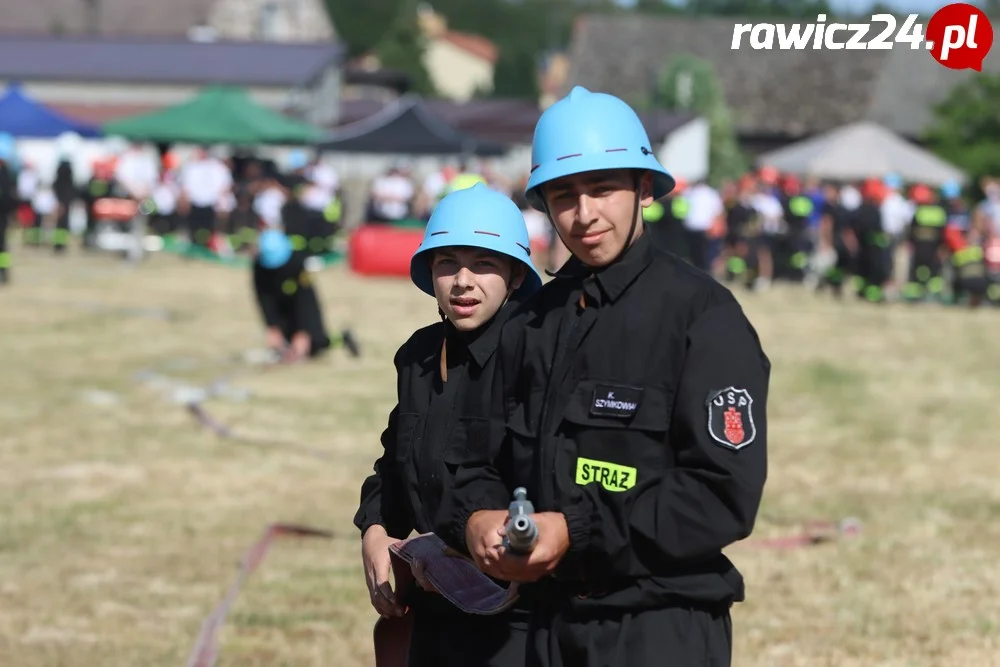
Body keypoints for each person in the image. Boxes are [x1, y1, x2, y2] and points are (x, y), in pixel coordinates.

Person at [439, 86, 770, 667]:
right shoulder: (530, 322)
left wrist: (578, 531)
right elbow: (473, 454)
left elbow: (720, 495)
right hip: (538, 628)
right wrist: (477, 518)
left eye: (603, 189)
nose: (584, 214)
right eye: (564, 195)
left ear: (644, 188)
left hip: (657, 628)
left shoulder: (702, 318)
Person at [354, 183, 542, 666]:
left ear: (516, 276)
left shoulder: (539, 359)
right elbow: (395, 463)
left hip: (521, 619)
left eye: (483, 263)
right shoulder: (418, 356)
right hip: (437, 602)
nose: (463, 280)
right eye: (447, 263)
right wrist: (375, 526)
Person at [252, 229, 341, 362]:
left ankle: (339, 339)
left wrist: (303, 331)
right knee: (283, 346)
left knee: (315, 344)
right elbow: (264, 298)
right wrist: (272, 326)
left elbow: (306, 301)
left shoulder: (297, 263)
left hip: (301, 306)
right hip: (280, 305)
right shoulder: (260, 267)